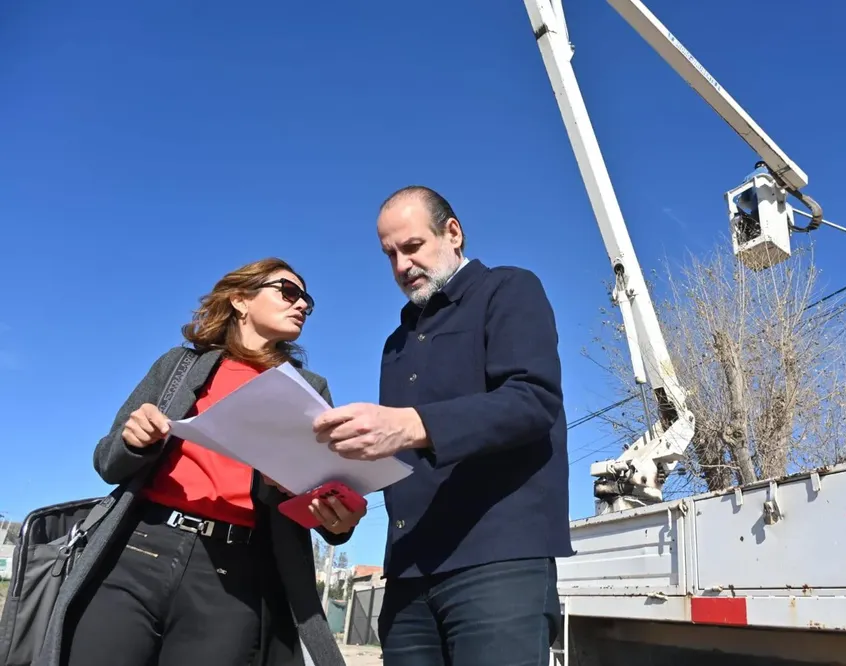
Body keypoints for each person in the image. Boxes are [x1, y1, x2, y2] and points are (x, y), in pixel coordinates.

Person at [43, 258, 364, 666]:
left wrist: (314, 498)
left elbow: (320, 490)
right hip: (139, 551)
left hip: (234, 576)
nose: (302, 305)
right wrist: (134, 441)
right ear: (240, 299)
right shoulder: (178, 366)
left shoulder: (309, 388)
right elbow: (107, 461)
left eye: (307, 301)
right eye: (289, 292)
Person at [312, 186, 574, 666]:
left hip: (497, 563)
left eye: (411, 247)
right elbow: (398, 454)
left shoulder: (510, 289)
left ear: (453, 233)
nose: (400, 267)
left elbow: (533, 402)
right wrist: (343, 507)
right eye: (389, 254)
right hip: (408, 575)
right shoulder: (395, 344)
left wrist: (413, 424)